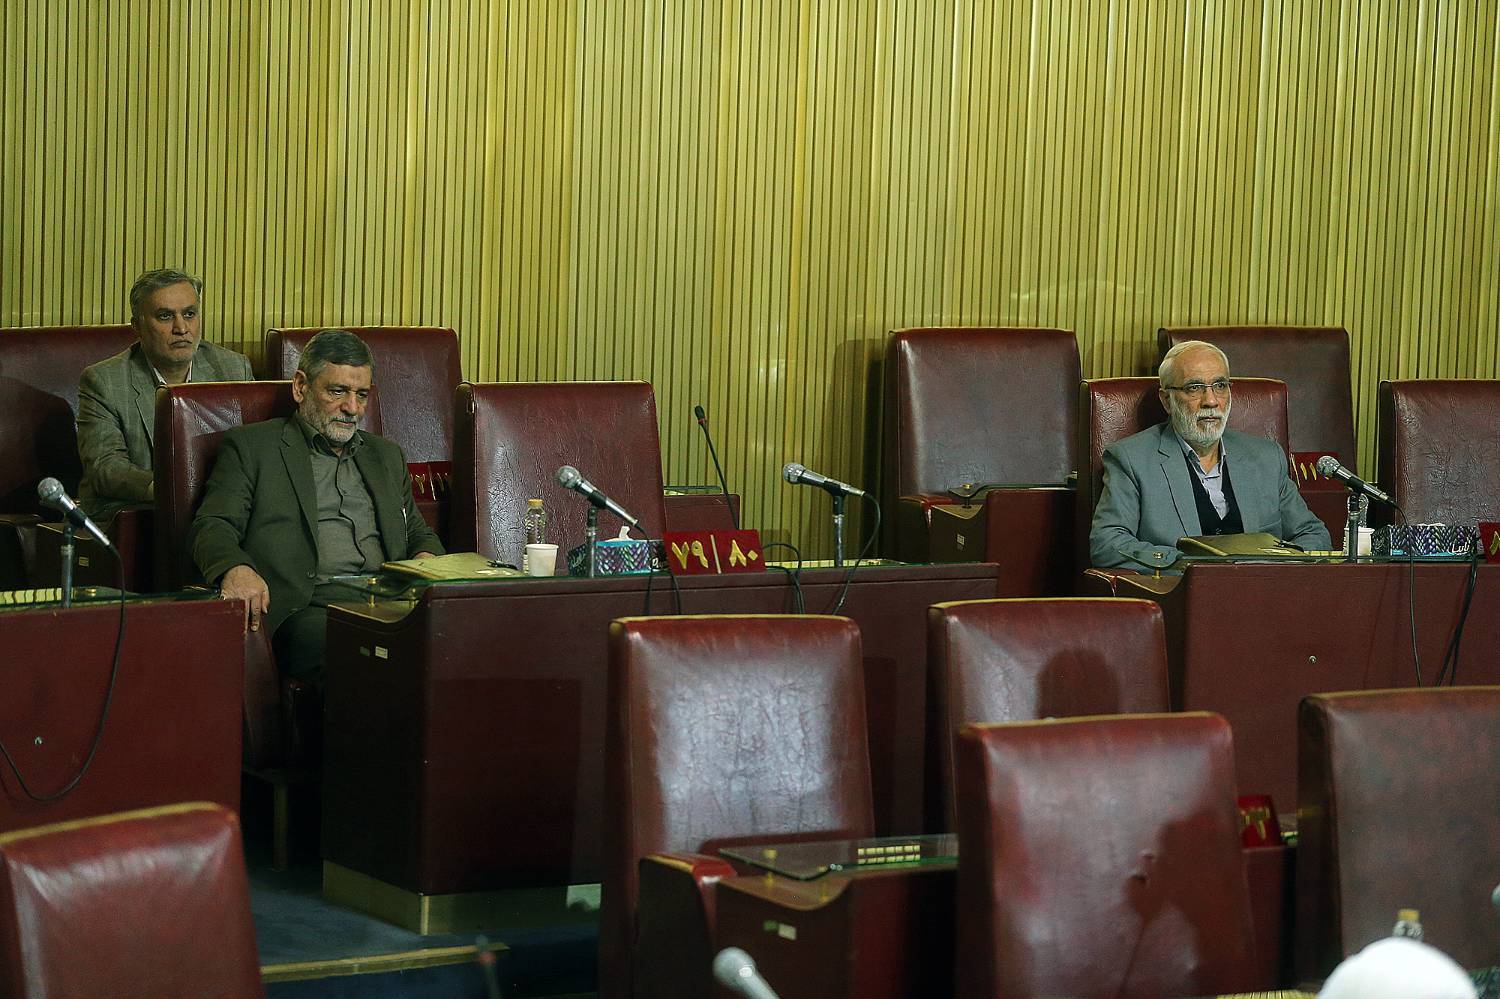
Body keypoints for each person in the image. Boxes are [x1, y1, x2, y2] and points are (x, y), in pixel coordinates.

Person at [190, 330, 442, 684]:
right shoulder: (253, 448)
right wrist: (235, 569)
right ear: (300, 387)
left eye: (361, 395)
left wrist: (427, 561)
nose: (352, 408)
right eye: (337, 391)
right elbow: (213, 525)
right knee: (363, 655)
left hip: (391, 603)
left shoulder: (385, 456)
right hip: (309, 610)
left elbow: (416, 531)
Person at [1089, 339, 1331, 570]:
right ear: (1167, 401)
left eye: (1220, 385)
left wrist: (1274, 567)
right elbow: (1107, 544)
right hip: (1182, 591)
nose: (1211, 401)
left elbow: (1314, 535)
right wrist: (1188, 565)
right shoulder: (1131, 460)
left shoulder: (1267, 458)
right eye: (1194, 388)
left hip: (1263, 590)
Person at [76, 268, 254, 517]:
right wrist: (181, 491)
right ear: (137, 326)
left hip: (220, 510)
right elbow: (106, 468)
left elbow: (256, 453)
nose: (181, 328)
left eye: (189, 314)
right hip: (138, 514)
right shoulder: (104, 381)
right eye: (165, 316)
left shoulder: (233, 368)